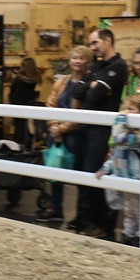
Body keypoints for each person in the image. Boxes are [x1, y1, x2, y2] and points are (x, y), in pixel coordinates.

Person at [70, 28, 128, 238]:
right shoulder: (96, 65)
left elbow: (94, 95)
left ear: (108, 41)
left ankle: (103, 226)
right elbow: (78, 90)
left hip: (102, 131)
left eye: (95, 43)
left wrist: (91, 87)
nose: (92, 48)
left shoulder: (119, 67)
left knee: (95, 176)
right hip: (85, 128)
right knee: (82, 175)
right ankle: (88, 222)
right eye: (91, 44)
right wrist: (91, 86)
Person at [37, 45, 93, 224]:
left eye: (82, 58)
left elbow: (85, 112)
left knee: (78, 173)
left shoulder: (90, 83)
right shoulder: (61, 82)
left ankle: (80, 215)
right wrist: (54, 126)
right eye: (75, 58)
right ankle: (56, 208)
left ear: (88, 62)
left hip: (77, 135)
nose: (77, 61)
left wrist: (63, 129)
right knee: (55, 170)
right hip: (56, 133)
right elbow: (51, 104)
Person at [95, 94, 140, 247]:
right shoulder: (129, 133)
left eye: (130, 109)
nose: (125, 112)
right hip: (125, 178)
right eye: (124, 108)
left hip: (138, 178)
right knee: (128, 211)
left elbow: (119, 138)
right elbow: (115, 156)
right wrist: (105, 168)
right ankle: (128, 235)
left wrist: (119, 119)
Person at [8, 56, 42, 149]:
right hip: (30, 104)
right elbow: (37, 92)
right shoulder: (37, 78)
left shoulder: (18, 79)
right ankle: (28, 145)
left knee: (18, 127)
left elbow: (12, 90)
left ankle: (17, 146)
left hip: (17, 104)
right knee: (29, 128)